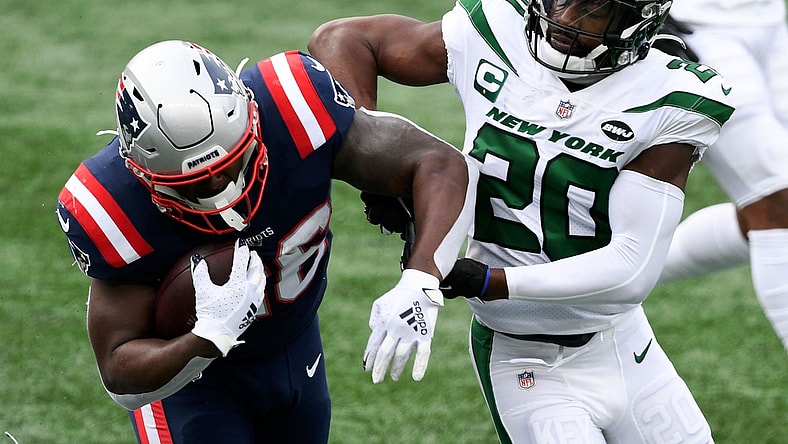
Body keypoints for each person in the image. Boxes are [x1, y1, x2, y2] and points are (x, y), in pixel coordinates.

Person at [309, 0, 735, 442]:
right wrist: (377, 173)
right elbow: (343, 39)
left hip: (623, 343)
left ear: (636, 20)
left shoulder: (668, 95)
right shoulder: (498, 30)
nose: (564, 19)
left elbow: (631, 268)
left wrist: (488, 280)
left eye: (592, 8)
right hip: (520, 356)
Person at [55, 40, 476, 443]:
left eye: (233, 161)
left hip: (295, 344)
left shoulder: (292, 105)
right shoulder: (112, 204)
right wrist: (204, 339)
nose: (223, 187)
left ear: (251, 117)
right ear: (142, 171)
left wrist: (421, 278)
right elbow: (119, 375)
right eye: (196, 184)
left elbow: (439, 163)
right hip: (194, 382)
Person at [653, 0, 788, 352]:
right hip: (695, 25)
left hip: (770, 22)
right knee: (776, 197)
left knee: (766, 209)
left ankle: (606, 279)